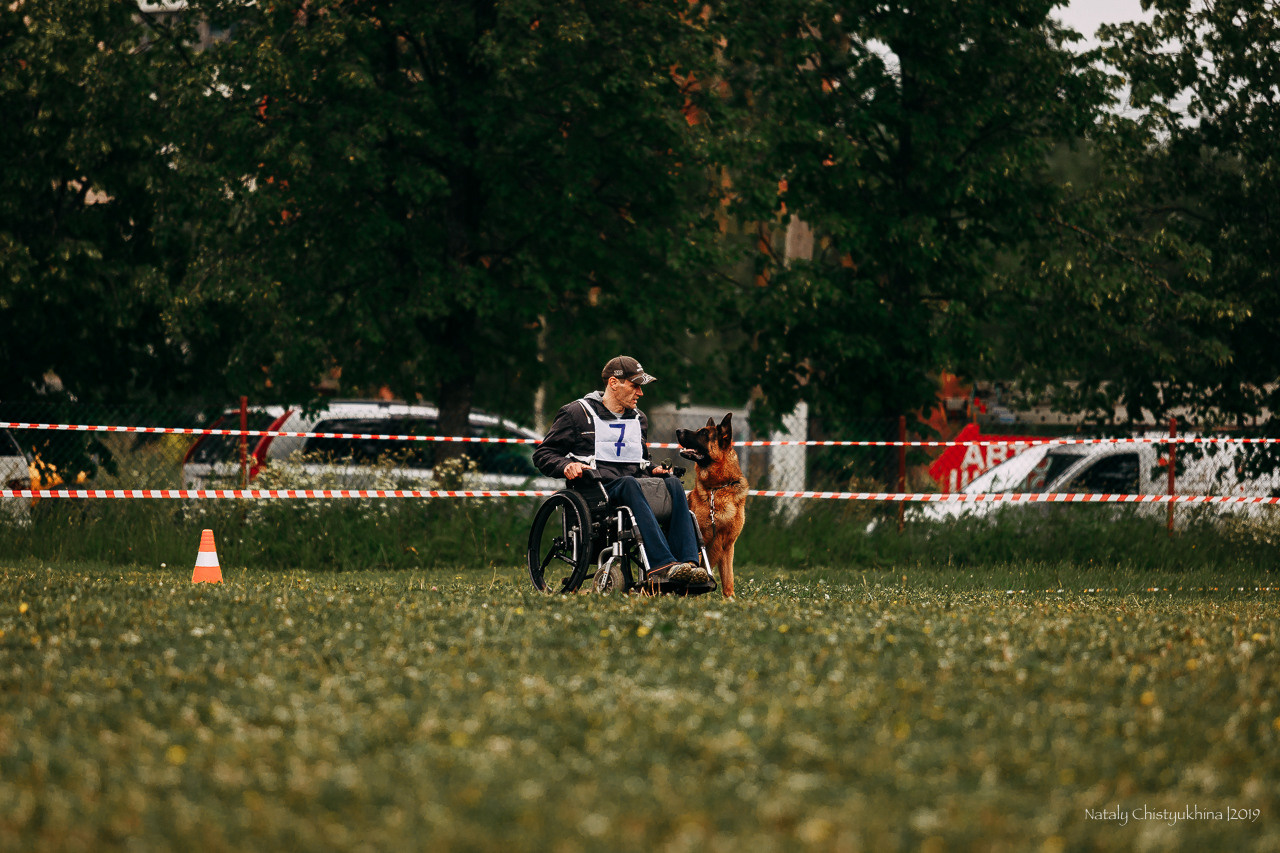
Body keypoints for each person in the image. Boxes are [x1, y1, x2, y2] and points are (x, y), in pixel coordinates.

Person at [533, 355, 710, 585]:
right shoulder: (576, 414)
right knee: (629, 483)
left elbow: (640, 462)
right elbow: (542, 454)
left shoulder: (639, 419)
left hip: (633, 488)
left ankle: (688, 566)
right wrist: (567, 465)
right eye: (635, 386)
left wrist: (654, 470)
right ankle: (662, 566)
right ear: (613, 384)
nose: (640, 393)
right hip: (598, 491)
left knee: (673, 483)